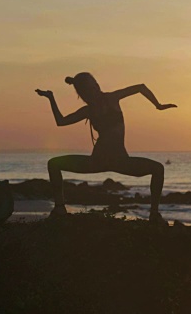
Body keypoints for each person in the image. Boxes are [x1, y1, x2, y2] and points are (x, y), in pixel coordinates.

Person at [36, 72, 177, 224]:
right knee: (54, 163)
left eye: (94, 86)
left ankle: (154, 215)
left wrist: (158, 105)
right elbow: (61, 121)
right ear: (83, 94)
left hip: (120, 160)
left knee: (158, 169)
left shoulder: (112, 97)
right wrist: (51, 98)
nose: (93, 91)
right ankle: (59, 209)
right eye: (88, 90)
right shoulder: (88, 110)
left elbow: (140, 88)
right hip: (97, 160)